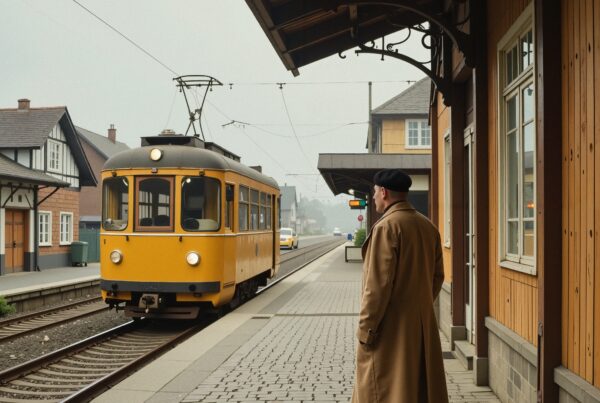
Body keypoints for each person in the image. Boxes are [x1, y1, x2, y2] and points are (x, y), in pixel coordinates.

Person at [352, 169, 448, 403]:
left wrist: (366, 330)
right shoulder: (428, 226)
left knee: (384, 389)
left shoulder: (386, 228)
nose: (373, 197)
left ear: (383, 192)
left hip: (389, 328)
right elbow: (437, 276)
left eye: (375, 192)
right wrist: (418, 304)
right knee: (417, 388)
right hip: (421, 325)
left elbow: (377, 287)